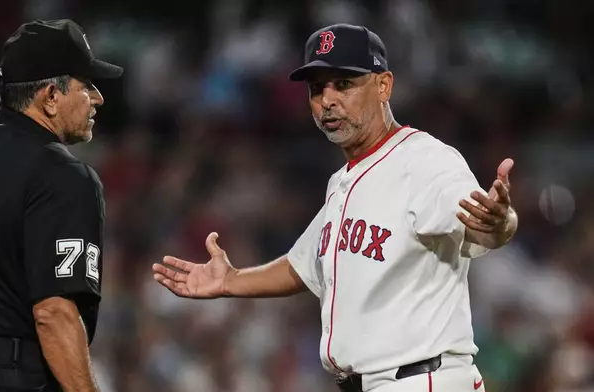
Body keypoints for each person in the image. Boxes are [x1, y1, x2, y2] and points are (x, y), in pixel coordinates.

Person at [153, 23, 518, 392]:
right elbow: (303, 264)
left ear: (383, 86)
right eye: (317, 89)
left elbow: (482, 225)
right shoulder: (343, 181)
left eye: (343, 84)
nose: (327, 99)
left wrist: (502, 220)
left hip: (421, 379)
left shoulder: (425, 161)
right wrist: (231, 281)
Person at [0, 19, 122, 392]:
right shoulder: (65, 178)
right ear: (50, 97)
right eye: (85, 85)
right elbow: (54, 314)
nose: (97, 97)